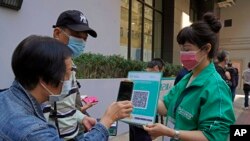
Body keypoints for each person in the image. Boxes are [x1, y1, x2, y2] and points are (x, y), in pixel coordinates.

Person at [0, 35, 133, 141]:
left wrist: (81, 117)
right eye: (67, 74)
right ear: (43, 80)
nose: (70, 80)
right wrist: (107, 121)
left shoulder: (6, 98)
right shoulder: (34, 131)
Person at [143, 12, 235, 141]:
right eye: (181, 49)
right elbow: (165, 107)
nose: (182, 54)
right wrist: (141, 90)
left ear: (206, 48)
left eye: (187, 49)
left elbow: (214, 136)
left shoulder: (216, 88)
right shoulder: (187, 78)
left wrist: (172, 133)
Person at [42, 10, 98, 139]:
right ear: (57, 33)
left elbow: (66, 106)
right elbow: (39, 116)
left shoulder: (70, 65)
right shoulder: (45, 66)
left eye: (85, 38)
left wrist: (82, 118)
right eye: (77, 35)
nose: (82, 42)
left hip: (75, 134)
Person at [129, 58, 165, 141]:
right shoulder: (150, 80)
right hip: (144, 121)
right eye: (162, 71)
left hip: (132, 118)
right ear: (156, 68)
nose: (162, 74)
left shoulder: (137, 76)